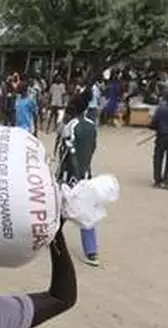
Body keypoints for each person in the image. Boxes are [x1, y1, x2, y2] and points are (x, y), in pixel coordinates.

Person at [56, 100, 101, 267]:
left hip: (71, 176)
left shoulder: (71, 126)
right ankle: (91, 251)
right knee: (87, 212)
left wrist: (66, 175)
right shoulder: (92, 125)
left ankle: (52, 237)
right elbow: (93, 148)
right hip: (86, 174)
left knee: (61, 208)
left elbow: (68, 152)